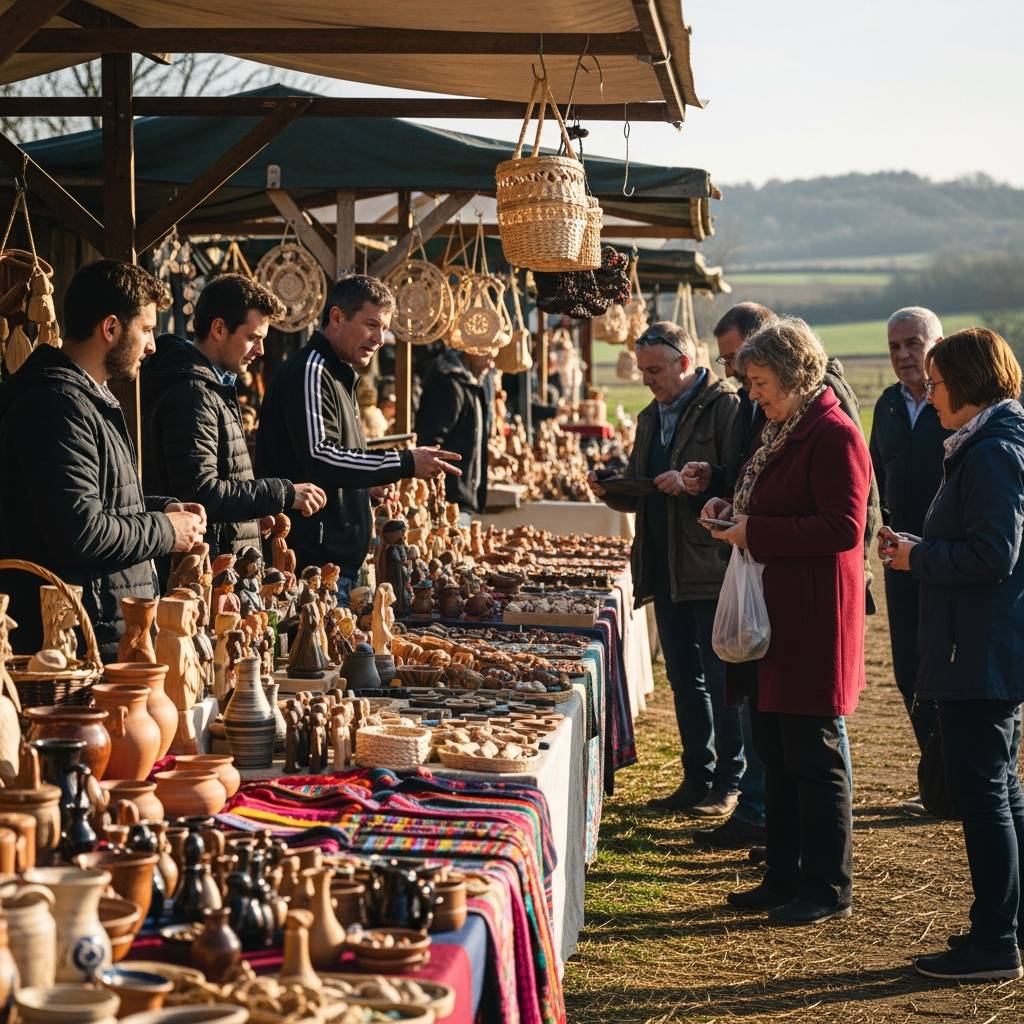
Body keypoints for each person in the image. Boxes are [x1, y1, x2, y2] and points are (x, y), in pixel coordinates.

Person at [704, 315, 871, 926]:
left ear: (797, 373)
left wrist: (757, 532)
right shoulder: (780, 428)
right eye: (748, 382)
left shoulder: (833, 434)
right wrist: (729, 509)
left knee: (813, 756)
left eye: (759, 380)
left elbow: (844, 528)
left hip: (810, 619)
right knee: (775, 748)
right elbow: (761, 498)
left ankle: (826, 886)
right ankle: (782, 876)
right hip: (774, 615)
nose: (752, 393)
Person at [881, 328, 1024, 982]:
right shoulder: (986, 443)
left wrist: (919, 557)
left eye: (937, 382)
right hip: (981, 643)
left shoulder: (992, 451)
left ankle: (995, 939)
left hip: (981, 650)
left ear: (966, 382)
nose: (930, 393)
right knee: (1001, 789)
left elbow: (994, 554)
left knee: (985, 793)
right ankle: (1007, 922)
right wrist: (920, 547)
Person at [0, 259, 205, 660]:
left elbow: (100, 504)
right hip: (72, 647)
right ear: (110, 328)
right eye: (146, 329)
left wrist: (163, 510)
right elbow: (80, 533)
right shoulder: (56, 407)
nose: (152, 345)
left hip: (101, 630)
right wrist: (166, 530)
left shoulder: (87, 401)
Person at [587, 321, 745, 814]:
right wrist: (612, 488)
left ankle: (730, 781)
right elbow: (645, 487)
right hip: (665, 565)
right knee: (684, 677)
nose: (647, 379)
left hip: (710, 562)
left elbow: (741, 480)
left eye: (654, 369)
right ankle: (696, 777)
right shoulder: (650, 417)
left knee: (721, 679)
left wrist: (700, 482)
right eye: (643, 370)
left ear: (684, 362)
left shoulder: (727, 408)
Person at [255, 275, 461, 605]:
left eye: (384, 328)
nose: (380, 338)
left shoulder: (340, 372)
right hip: (312, 567)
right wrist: (404, 462)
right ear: (337, 318)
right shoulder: (312, 370)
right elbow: (321, 457)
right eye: (371, 325)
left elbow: (334, 458)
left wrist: (363, 487)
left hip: (336, 565)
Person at [141, 273, 327, 582]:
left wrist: (251, 517)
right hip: (199, 574)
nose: (261, 350)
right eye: (253, 337)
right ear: (219, 329)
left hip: (218, 563)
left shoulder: (212, 387)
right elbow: (201, 493)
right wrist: (283, 493)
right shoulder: (192, 393)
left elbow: (222, 482)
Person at [870, 307, 950, 805]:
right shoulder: (887, 406)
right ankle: (939, 782)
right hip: (898, 560)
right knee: (909, 672)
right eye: (895, 346)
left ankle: (950, 785)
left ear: (938, 344)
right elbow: (877, 478)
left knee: (946, 675)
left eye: (913, 343)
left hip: (947, 560)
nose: (903, 355)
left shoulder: (959, 405)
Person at [415, 348, 494, 514]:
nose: (492, 359)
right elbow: (432, 442)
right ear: (472, 351)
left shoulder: (473, 385)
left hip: (464, 495)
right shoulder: (449, 385)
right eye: (487, 351)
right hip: (451, 497)